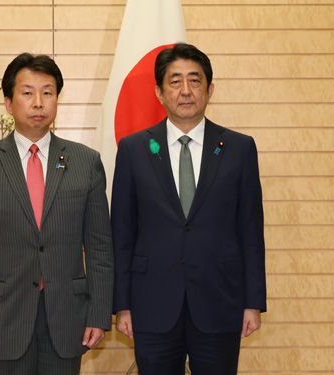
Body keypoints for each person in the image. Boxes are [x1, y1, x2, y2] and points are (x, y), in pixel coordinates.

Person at [111, 43, 266, 374]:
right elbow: (122, 233)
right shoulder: (134, 149)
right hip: (152, 302)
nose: (185, 91)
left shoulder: (239, 148)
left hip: (219, 300)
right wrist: (122, 304)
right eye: (175, 81)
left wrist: (253, 302)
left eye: (195, 81)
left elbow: (250, 230)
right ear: (159, 92)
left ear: (209, 89)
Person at [0, 53, 114, 375]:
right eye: (27, 93)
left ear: (58, 99)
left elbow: (99, 247)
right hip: (2, 318)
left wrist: (99, 314)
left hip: (67, 317)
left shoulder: (85, 162)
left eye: (48, 92)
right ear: (9, 103)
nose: (38, 102)